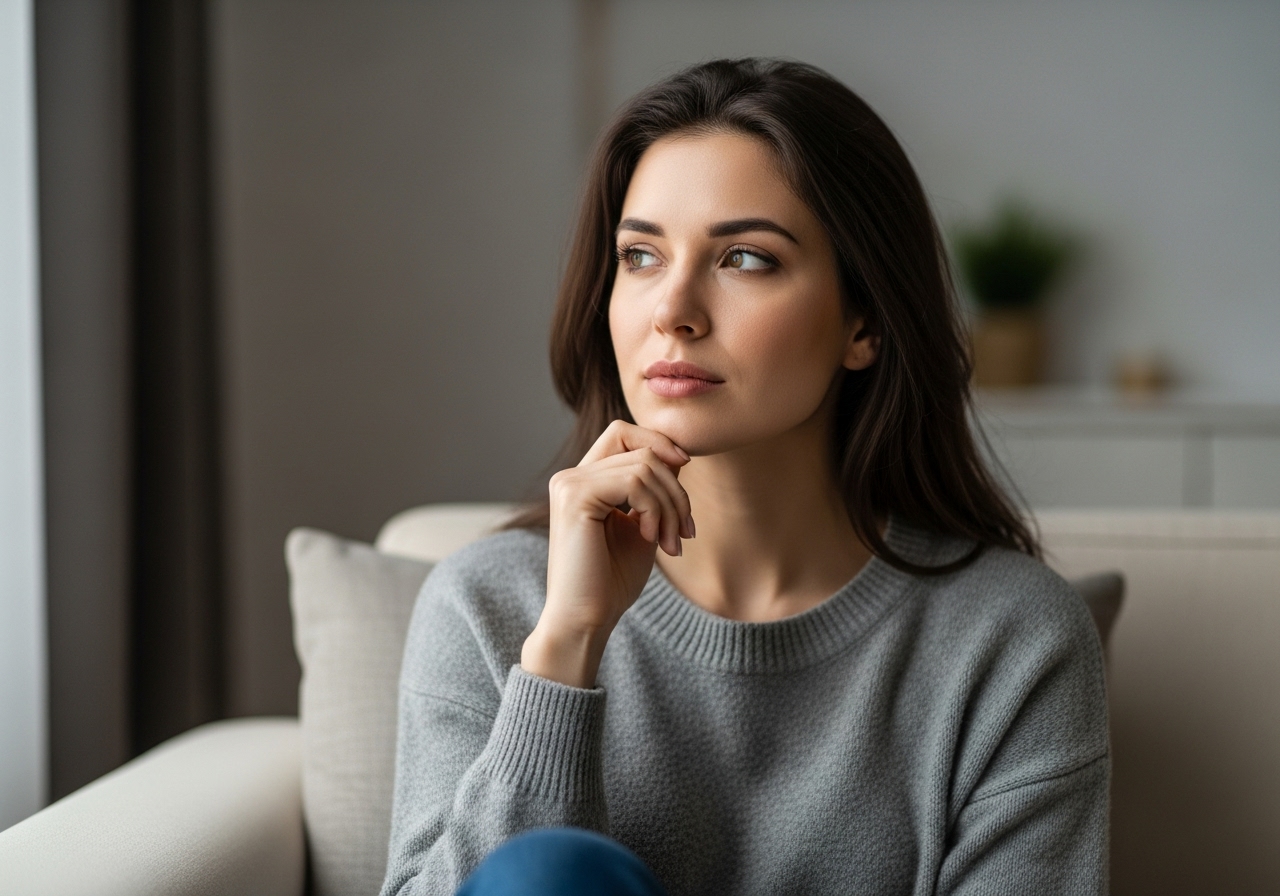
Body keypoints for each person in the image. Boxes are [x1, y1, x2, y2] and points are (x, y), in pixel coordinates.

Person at [380, 58, 1109, 896]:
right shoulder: (489, 606)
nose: (673, 310)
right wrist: (564, 649)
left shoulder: (1013, 639)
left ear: (864, 322)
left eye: (746, 259)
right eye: (641, 256)